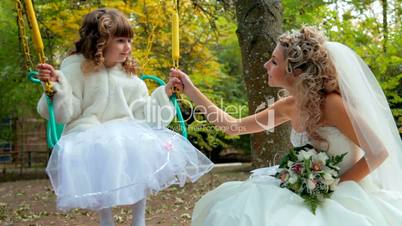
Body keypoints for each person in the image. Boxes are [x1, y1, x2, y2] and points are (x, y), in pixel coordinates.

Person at [170, 26, 402, 226]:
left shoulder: (332, 104)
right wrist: (190, 90)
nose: (265, 65)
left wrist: (333, 188)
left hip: (345, 194)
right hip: (304, 192)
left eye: (273, 61)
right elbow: (233, 127)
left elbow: (378, 153)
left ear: (296, 71)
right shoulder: (289, 106)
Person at [36, 8, 213, 226]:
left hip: (127, 130)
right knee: (108, 145)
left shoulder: (130, 78)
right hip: (86, 132)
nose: (127, 47)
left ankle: (139, 218)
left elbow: (144, 114)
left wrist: (165, 93)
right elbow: (66, 112)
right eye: (120, 40)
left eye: (129, 41)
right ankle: (106, 219)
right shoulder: (76, 70)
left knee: (140, 144)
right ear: (100, 41)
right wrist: (55, 88)